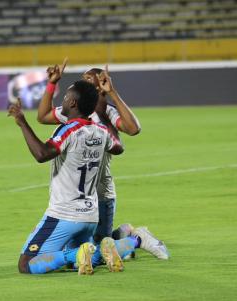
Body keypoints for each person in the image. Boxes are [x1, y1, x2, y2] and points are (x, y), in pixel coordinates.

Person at [37, 59, 170, 260]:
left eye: (89, 78)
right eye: (83, 78)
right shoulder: (74, 111)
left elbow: (133, 129)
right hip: (77, 195)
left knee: (95, 249)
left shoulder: (108, 112)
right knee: (89, 249)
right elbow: (43, 116)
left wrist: (112, 94)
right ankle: (126, 234)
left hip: (101, 190)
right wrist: (52, 84)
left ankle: (137, 238)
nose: (84, 81)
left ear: (101, 84)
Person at [10, 80, 130, 275]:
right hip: (90, 215)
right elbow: (119, 147)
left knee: (26, 263)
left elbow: (42, 154)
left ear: (73, 103)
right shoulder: (102, 131)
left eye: (65, 97)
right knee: (80, 258)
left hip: (64, 214)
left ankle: (77, 255)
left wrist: (22, 122)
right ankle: (126, 243)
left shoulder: (69, 129)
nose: (63, 101)